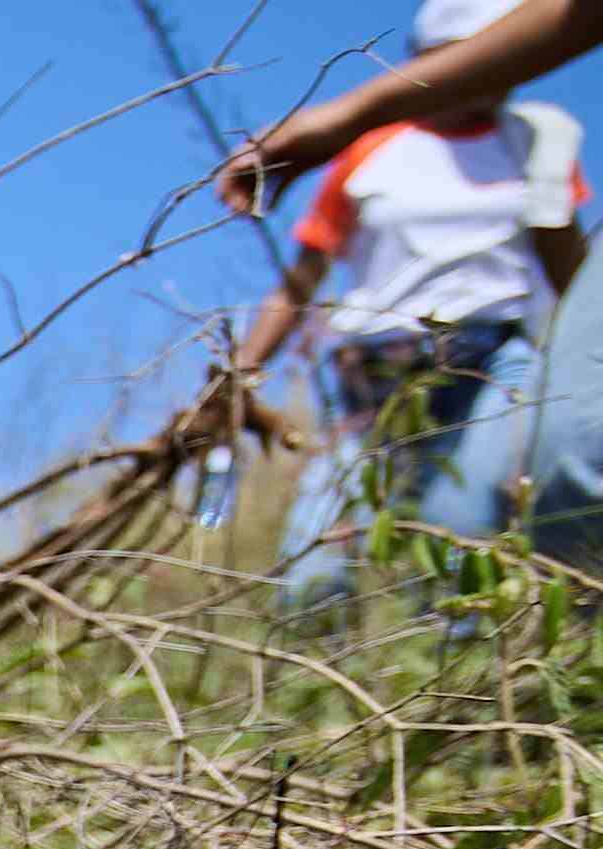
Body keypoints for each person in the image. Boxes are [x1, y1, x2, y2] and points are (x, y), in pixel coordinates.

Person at [220, 0, 586, 610]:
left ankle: (460, 683)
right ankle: (308, 668)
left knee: (461, 528)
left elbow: (565, 269)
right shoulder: (369, 147)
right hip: (376, 372)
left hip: (488, 361)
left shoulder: (536, 139)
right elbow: (301, 279)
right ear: (429, 62)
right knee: (318, 554)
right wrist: (243, 370)